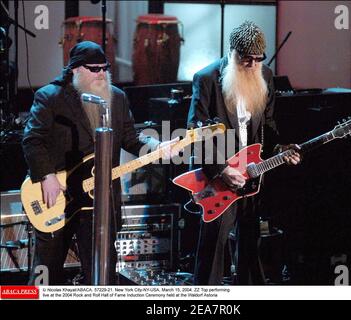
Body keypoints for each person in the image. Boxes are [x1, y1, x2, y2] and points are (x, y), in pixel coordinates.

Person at [22, 41, 178, 285]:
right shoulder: (50, 97)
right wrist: (47, 176)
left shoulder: (116, 97)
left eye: (104, 68)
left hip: (100, 202)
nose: (102, 74)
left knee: (100, 273)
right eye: (94, 69)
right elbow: (33, 140)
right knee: (47, 270)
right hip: (58, 197)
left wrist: (156, 146)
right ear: (76, 70)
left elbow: (131, 137)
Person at [188, 21, 301, 285]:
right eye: (245, 59)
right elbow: (195, 132)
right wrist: (221, 169)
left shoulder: (266, 76)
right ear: (231, 51)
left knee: (251, 245)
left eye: (257, 60)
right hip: (219, 177)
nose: (251, 65)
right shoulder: (206, 79)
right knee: (213, 249)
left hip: (253, 176)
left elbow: (269, 126)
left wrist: (280, 149)